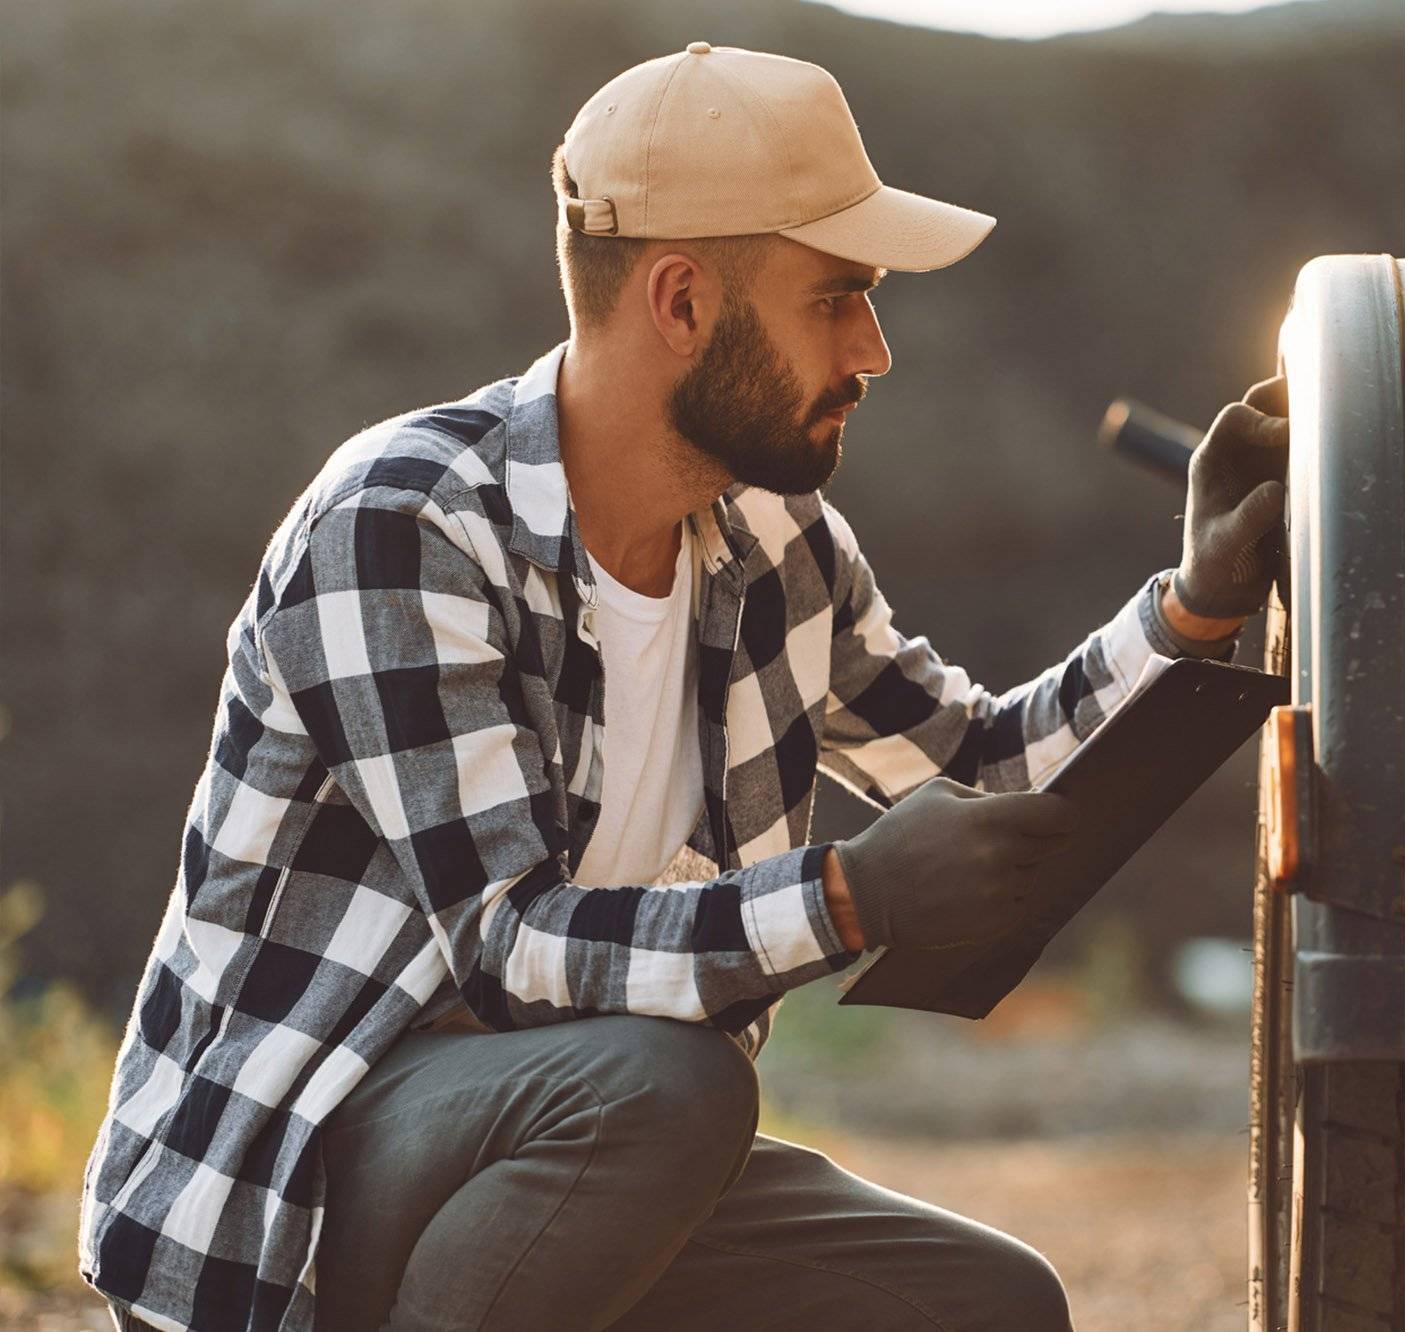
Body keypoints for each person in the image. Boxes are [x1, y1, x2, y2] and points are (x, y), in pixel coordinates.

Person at [77, 42, 1289, 1332]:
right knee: (671, 1086)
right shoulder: (404, 527)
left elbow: (977, 772)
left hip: (580, 1160)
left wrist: (1193, 604)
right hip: (310, 1184)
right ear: (680, 301)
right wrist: (846, 895)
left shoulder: (773, 539)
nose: (874, 348)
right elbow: (511, 948)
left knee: (983, 1304)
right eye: (837, 297)